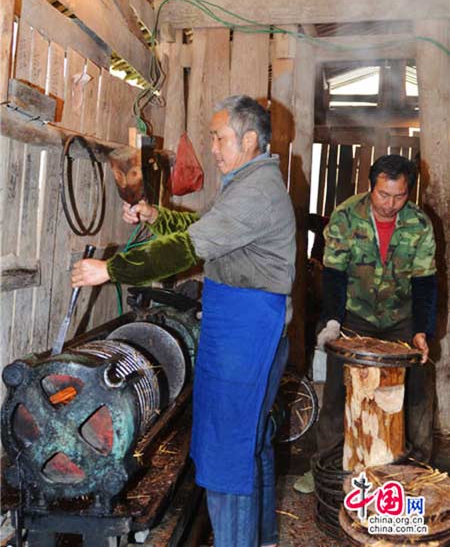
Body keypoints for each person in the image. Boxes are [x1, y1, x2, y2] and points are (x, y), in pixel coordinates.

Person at [72, 95, 296, 547]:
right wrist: (156, 216)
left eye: (218, 137)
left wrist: (112, 269)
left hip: (248, 328)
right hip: (242, 321)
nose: (211, 146)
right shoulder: (245, 181)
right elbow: (199, 228)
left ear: (249, 139)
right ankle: (264, 537)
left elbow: (188, 249)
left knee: (227, 453)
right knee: (251, 436)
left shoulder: (256, 191)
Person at [315, 154, 437, 463]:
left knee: (417, 390)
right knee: (337, 392)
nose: (390, 204)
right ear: (370, 187)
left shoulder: (419, 224)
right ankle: (327, 464)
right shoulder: (345, 217)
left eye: (400, 196)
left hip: (402, 317)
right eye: (383, 194)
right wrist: (332, 321)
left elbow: (425, 282)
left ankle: (417, 465)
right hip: (355, 316)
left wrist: (423, 330)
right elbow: (333, 275)